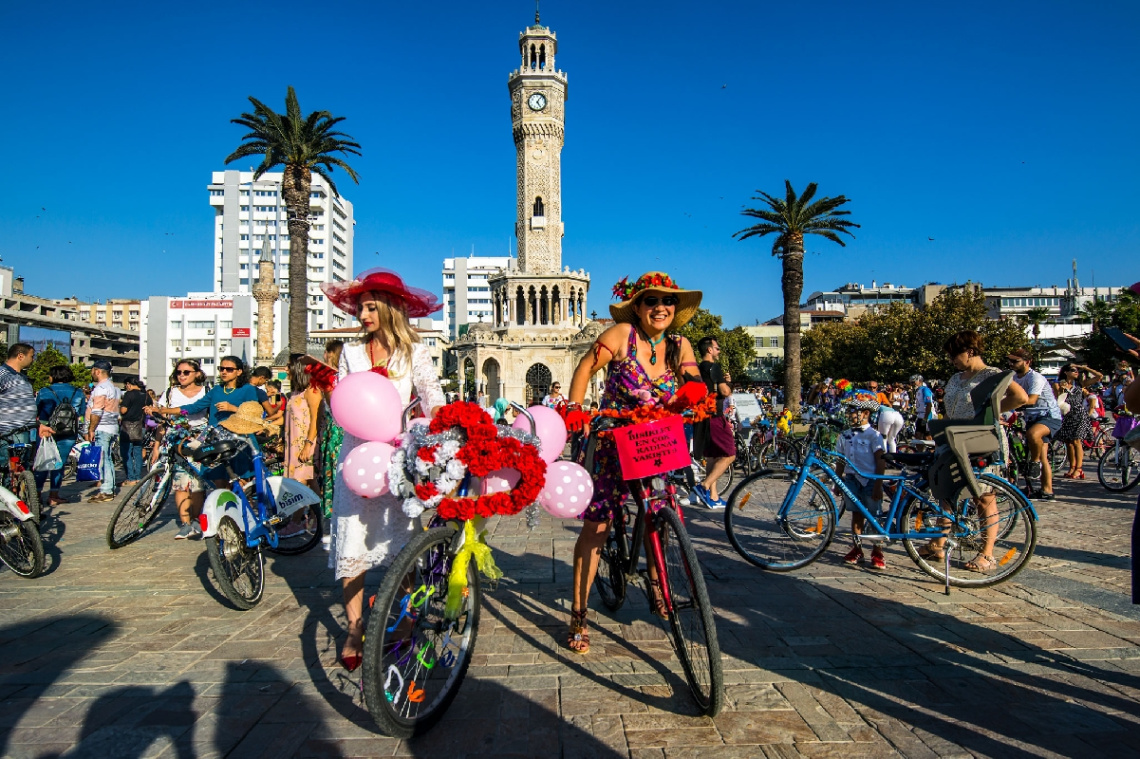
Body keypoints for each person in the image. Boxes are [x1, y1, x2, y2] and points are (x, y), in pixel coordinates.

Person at [564, 271, 702, 654]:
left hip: (656, 442)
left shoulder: (680, 345)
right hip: (613, 441)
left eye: (668, 302)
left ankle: (658, 587)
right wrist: (575, 411)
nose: (660, 308)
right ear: (638, 307)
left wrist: (696, 398)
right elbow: (585, 368)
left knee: (659, 515)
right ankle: (579, 613)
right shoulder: (620, 335)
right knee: (598, 525)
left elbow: (692, 381)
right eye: (651, 301)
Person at [320, 268, 446, 672]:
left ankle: (406, 620)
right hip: (356, 457)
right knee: (351, 542)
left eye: (371, 308)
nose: (363, 315)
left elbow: (431, 396)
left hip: (396, 458)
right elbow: (342, 404)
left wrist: (444, 423)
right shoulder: (351, 354)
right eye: (360, 308)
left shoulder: (415, 352)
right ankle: (355, 627)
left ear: (391, 308)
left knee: (402, 544)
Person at [924, 330, 1029, 571]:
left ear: (970, 351)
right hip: (955, 438)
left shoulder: (991, 375)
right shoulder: (955, 378)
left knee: (983, 496)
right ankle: (938, 543)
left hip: (980, 440)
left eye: (954, 354)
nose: (952, 360)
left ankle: (987, 553)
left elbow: (1021, 397)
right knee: (946, 492)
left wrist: (992, 412)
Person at [154, 360, 208, 540]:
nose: (182, 376)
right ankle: (185, 524)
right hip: (176, 440)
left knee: (198, 485)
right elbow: (162, 420)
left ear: (197, 374)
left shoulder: (206, 392)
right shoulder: (170, 393)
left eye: (186, 372)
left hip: (200, 440)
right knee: (180, 484)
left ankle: (196, 520)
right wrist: (156, 445)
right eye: (179, 372)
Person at [835, 394, 888, 570]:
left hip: (871, 480)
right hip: (851, 479)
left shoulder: (874, 436)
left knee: (874, 516)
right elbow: (841, 459)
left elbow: (880, 461)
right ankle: (857, 548)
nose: (849, 414)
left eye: (853, 411)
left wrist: (879, 485)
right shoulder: (844, 435)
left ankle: (877, 550)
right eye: (849, 411)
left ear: (865, 413)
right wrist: (837, 480)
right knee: (856, 514)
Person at [1007, 348, 1063, 500]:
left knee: (1033, 435)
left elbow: (1031, 400)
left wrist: (1008, 406)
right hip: (1031, 418)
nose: (1011, 364)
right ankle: (1047, 491)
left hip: (1048, 416)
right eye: (1010, 361)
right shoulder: (1013, 378)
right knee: (1043, 455)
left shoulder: (1035, 378)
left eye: (1015, 361)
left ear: (1027, 361)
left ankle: (1034, 462)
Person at [690, 337, 734, 509]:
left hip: (701, 417)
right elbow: (725, 391)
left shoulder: (697, 369)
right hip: (715, 415)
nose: (719, 351)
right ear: (709, 350)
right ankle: (704, 486)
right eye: (717, 348)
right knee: (729, 454)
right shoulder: (713, 367)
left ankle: (713, 497)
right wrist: (729, 382)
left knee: (712, 456)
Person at [35, 365, 85, 505]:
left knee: (42, 462)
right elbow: (81, 413)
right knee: (59, 464)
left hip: (45, 430)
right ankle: (54, 496)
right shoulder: (78, 391)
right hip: (69, 431)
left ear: (54, 376)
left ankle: (37, 495)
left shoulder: (45, 391)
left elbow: (37, 410)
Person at [0, 344, 53, 471]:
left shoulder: (23, 378)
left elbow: (25, 405)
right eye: (31, 356)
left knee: (21, 469)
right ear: (20, 356)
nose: (33, 359)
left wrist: (38, 425)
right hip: (5, 431)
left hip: (24, 430)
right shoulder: (2, 374)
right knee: (5, 469)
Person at [315, 339, 345, 549]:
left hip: (336, 434)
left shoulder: (331, 381)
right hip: (341, 432)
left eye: (326, 352)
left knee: (334, 480)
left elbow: (333, 407)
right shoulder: (346, 378)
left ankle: (334, 530)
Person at [1053, 363, 1102, 479]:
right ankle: (1072, 467)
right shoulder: (1058, 384)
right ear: (1066, 372)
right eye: (1073, 370)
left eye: (1077, 371)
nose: (1076, 372)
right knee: (1069, 443)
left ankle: (1079, 469)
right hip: (1067, 415)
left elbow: (1099, 376)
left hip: (1080, 415)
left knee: (1076, 441)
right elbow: (1057, 399)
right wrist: (1062, 390)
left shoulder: (1080, 384)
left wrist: (1084, 368)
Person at [85, 360, 122, 503]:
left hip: (102, 428)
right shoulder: (115, 389)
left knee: (104, 459)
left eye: (92, 370)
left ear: (97, 371)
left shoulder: (101, 388)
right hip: (112, 427)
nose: (91, 373)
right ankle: (108, 487)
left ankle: (106, 490)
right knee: (107, 458)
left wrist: (91, 429)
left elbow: (97, 410)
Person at [284, 359, 321, 489]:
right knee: (309, 484)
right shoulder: (295, 393)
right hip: (294, 444)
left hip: (305, 443)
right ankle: (317, 510)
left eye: (289, 366)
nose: (286, 370)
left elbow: (316, 418)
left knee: (300, 485)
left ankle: (298, 510)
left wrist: (308, 444)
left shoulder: (311, 391)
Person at [118, 378, 148, 486]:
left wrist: (120, 406)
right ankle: (138, 477)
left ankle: (130, 478)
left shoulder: (129, 394)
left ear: (129, 384)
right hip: (141, 426)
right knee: (137, 452)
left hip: (128, 426)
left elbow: (123, 410)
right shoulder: (145, 395)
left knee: (126, 453)